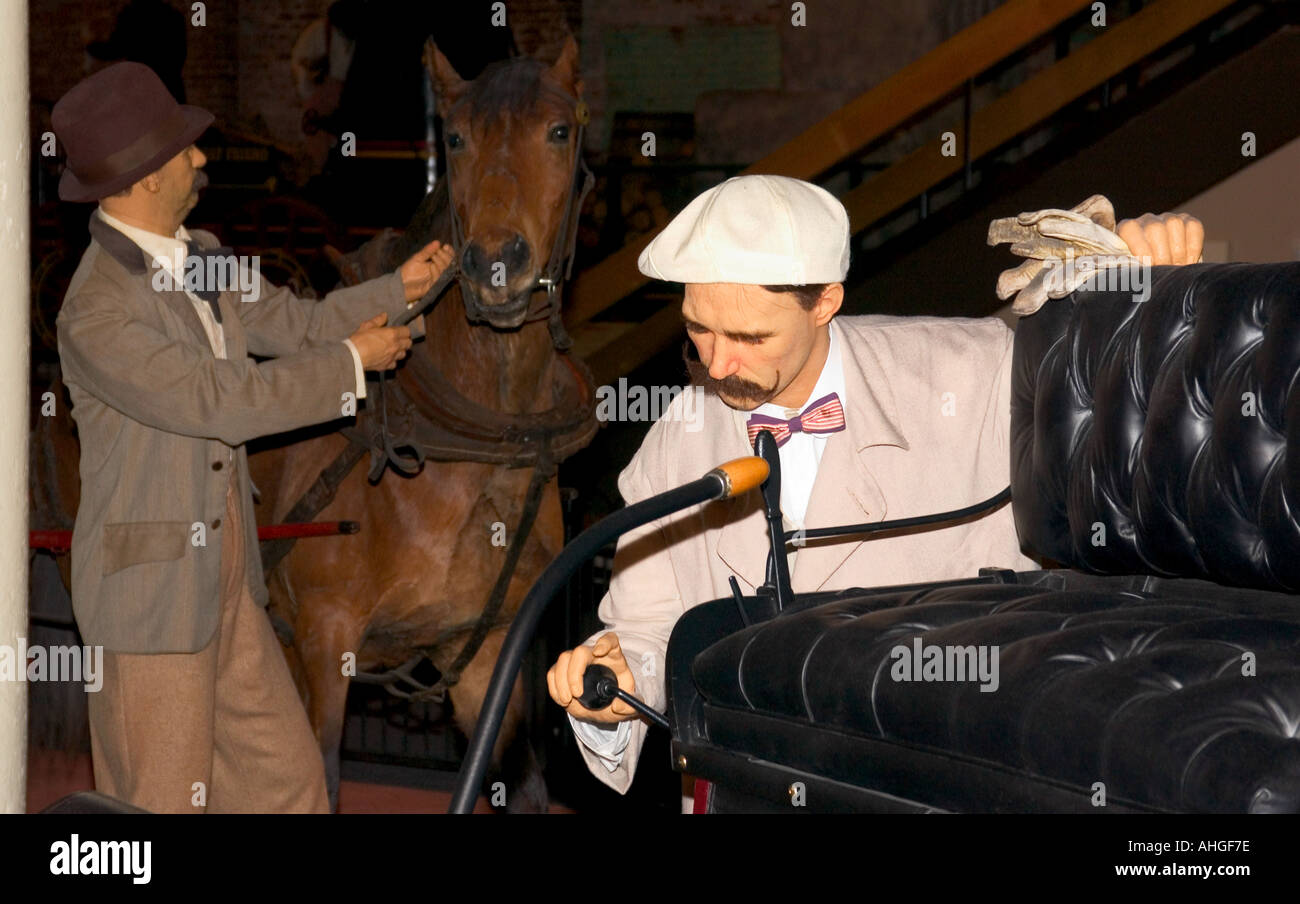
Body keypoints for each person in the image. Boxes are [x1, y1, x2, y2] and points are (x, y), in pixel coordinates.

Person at [546, 174, 1203, 807]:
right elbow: (648, 631)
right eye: (698, 328)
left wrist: (1143, 281)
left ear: (826, 302)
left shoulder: (970, 373)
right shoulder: (677, 437)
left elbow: (1126, 407)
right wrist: (622, 676)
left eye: (750, 337)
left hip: (936, 782)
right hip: (740, 789)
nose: (718, 365)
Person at [52, 62, 453, 813]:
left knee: (289, 787)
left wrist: (401, 290)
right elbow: (220, 400)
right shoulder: (98, 312)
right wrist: (349, 365)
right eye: (182, 152)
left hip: (230, 583)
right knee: (160, 805)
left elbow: (291, 323)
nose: (201, 160)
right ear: (140, 178)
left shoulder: (199, 254)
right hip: (152, 601)